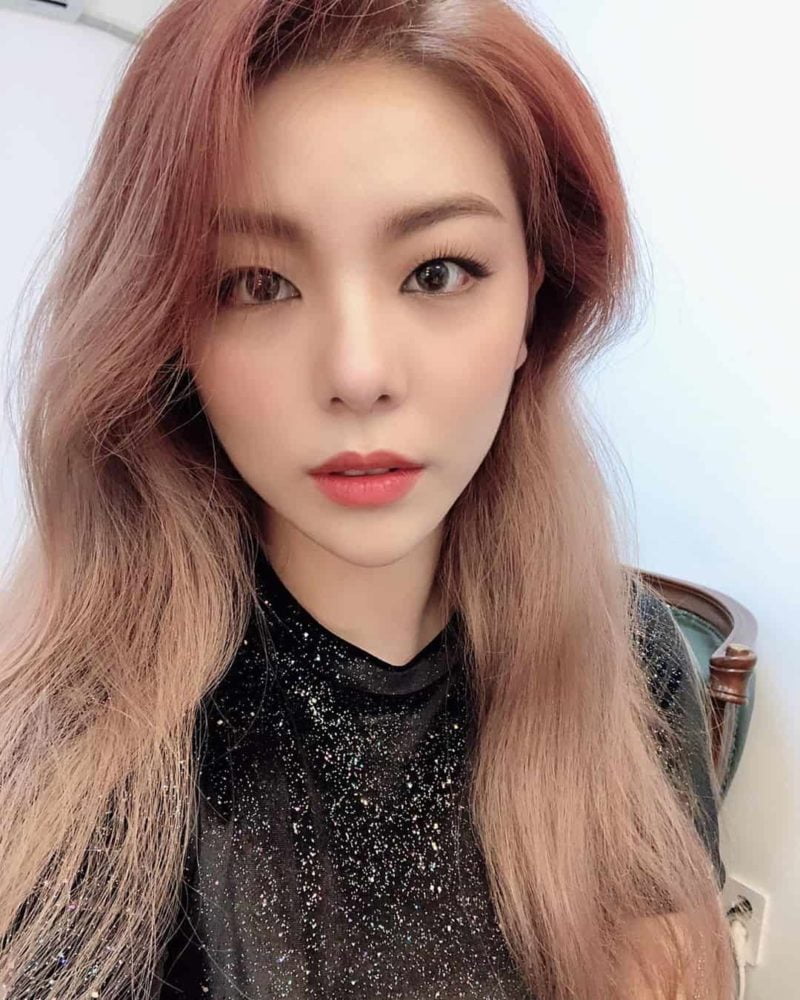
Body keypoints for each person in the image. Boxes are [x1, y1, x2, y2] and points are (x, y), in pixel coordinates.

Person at [0, 2, 735, 999]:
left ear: (536, 297)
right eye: (255, 284)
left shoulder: (629, 658)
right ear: (166, 329)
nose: (357, 373)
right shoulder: (80, 740)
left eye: (437, 271)